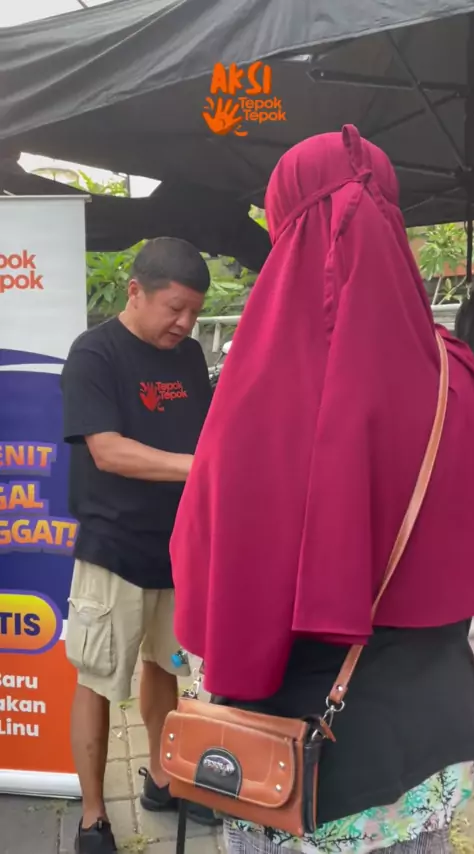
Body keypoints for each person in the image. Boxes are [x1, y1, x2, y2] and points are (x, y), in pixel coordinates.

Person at [170, 128, 474, 854]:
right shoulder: (459, 377)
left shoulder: (257, 395)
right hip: (430, 737)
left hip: (297, 759)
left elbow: (210, 577)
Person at [61, 237, 218, 854]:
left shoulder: (187, 357)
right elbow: (108, 450)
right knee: (99, 678)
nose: (185, 323)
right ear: (136, 292)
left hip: (176, 546)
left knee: (165, 666)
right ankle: (93, 815)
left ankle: (162, 777)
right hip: (114, 547)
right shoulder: (94, 354)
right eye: (176, 308)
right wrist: (202, 469)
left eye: (195, 313)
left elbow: (209, 431)